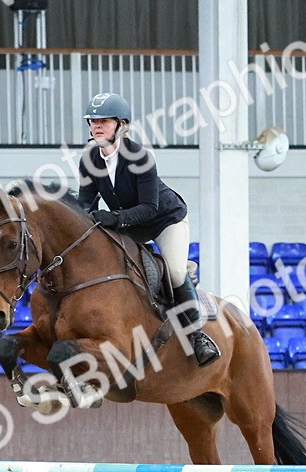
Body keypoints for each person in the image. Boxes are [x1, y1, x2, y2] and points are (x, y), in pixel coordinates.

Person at [76, 92, 220, 367]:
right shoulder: (89, 160)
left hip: (164, 219)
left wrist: (114, 218)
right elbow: (85, 203)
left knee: (175, 272)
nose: (96, 127)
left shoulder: (140, 156)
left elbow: (150, 208)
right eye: (93, 122)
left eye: (104, 121)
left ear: (121, 125)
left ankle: (197, 337)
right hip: (130, 224)